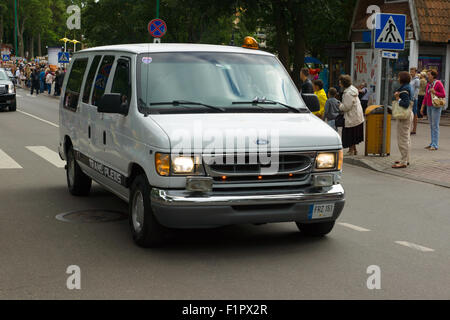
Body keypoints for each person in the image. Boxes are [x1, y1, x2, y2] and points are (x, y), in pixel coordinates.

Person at [338, 75, 364, 155]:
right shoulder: (352, 89)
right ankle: (354, 149)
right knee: (354, 133)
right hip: (357, 115)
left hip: (351, 116)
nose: (339, 84)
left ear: (343, 83)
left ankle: (351, 150)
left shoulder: (348, 93)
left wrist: (339, 106)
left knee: (350, 134)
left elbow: (346, 107)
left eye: (340, 82)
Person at [420, 70, 446, 151]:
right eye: (427, 75)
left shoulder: (438, 83)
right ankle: (432, 143)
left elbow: (443, 94)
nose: (427, 76)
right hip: (429, 106)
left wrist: (435, 92)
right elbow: (426, 96)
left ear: (433, 76)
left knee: (435, 125)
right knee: (431, 125)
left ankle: (435, 145)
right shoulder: (428, 84)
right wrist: (422, 107)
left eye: (429, 75)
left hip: (436, 106)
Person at [392, 72, 413, 168]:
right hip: (408, 114)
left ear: (402, 79)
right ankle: (405, 158)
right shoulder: (409, 87)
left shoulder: (404, 90)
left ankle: (404, 161)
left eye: (399, 77)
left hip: (404, 115)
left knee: (402, 139)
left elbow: (405, 104)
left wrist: (397, 98)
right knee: (406, 137)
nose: (397, 78)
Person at [409, 68, 420, 134]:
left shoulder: (417, 80)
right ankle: (411, 128)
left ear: (415, 72)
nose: (411, 73)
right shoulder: (411, 79)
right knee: (411, 113)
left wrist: (413, 98)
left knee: (414, 113)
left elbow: (417, 90)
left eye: (412, 72)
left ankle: (414, 129)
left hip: (414, 99)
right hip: (410, 98)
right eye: (410, 71)